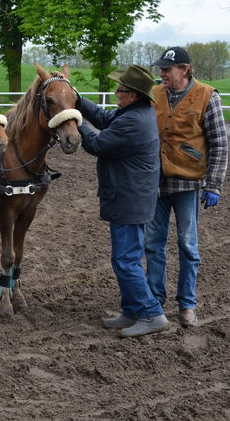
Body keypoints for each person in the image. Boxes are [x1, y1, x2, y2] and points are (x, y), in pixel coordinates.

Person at [77, 65, 168, 338]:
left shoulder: (133, 121)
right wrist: (78, 100)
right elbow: (104, 118)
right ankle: (132, 311)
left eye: (121, 90)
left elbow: (97, 144)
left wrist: (75, 120)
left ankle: (151, 313)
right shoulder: (136, 112)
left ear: (135, 95)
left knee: (125, 260)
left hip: (129, 198)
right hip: (133, 197)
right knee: (128, 258)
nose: (116, 92)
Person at [145, 46, 228, 328]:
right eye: (161, 69)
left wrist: (214, 184)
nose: (161, 74)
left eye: (167, 70)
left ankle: (187, 304)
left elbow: (219, 142)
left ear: (184, 69)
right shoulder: (154, 93)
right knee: (153, 245)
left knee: (188, 245)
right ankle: (155, 300)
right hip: (156, 182)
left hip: (189, 181)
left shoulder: (206, 96)